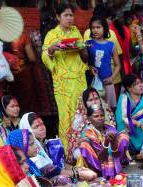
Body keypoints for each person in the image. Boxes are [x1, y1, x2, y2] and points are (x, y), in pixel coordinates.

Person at [42, 3, 89, 151]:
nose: (69, 18)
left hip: (79, 80)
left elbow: (85, 58)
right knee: (65, 116)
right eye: (66, 15)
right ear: (58, 17)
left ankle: (84, 148)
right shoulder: (52, 35)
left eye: (71, 15)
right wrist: (51, 49)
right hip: (61, 82)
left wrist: (82, 48)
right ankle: (68, 150)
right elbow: (44, 56)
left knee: (81, 113)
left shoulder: (76, 32)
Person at [70, 105, 129, 179]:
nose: (100, 118)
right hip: (98, 162)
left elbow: (116, 153)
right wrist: (106, 143)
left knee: (124, 136)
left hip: (114, 157)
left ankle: (117, 167)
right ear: (89, 119)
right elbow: (101, 157)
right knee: (83, 145)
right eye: (96, 116)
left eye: (102, 115)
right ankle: (97, 172)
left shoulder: (110, 128)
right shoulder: (88, 132)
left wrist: (114, 143)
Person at [19, 112, 70, 178]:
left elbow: (61, 164)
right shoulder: (32, 153)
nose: (42, 128)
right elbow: (52, 170)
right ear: (28, 129)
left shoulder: (46, 145)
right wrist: (76, 173)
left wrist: (75, 169)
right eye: (36, 126)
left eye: (42, 124)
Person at [87, 16, 121, 109]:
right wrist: (89, 67)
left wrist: (112, 77)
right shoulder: (88, 44)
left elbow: (118, 65)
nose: (95, 30)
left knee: (109, 109)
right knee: (95, 108)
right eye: (93, 28)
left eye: (98, 27)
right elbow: (84, 63)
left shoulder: (111, 45)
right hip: (93, 83)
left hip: (107, 83)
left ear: (104, 28)